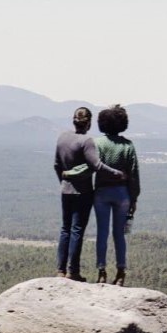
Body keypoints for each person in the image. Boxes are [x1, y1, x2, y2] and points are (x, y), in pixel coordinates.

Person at [53, 107, 125, 281]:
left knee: (65, 229)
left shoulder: (62, 137)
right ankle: (73, 271)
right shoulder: (86, 141)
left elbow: (56, 165)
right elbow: (96, 165)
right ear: (89, 123)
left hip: (66, 190)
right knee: (77, 230)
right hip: (82, 192)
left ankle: (60, 270)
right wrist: (117, 173)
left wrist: (64, 182)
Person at [92, 104, 140, 286]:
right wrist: (134, 198)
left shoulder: (98, 144)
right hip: (122, 193)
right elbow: (134, 173)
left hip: (102, 192)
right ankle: (121, 273)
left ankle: (101, 271)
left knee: (102, 233)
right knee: (119, 234)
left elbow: (93, 167)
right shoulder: (128, 145)